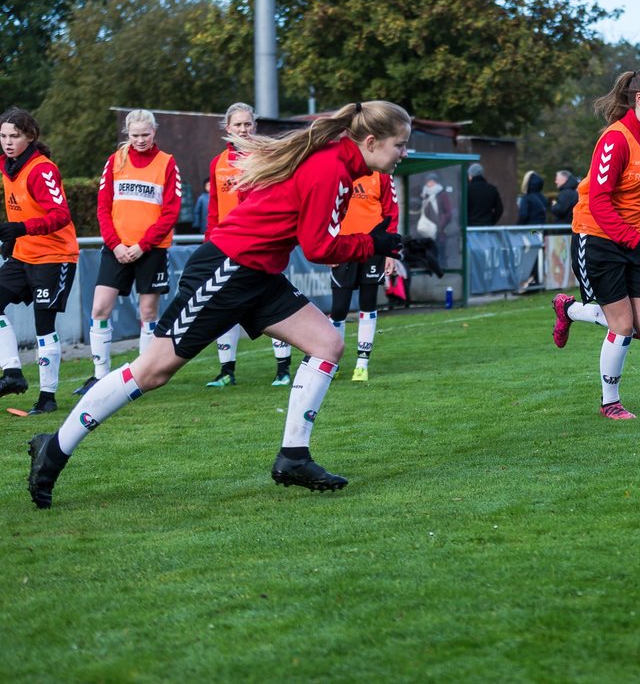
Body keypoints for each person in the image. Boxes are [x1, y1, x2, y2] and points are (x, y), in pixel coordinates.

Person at [27, 101, 410, 509]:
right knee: (152, 371)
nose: (404, 154)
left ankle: (294, 457)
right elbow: (319, 247)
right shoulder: (331, 168)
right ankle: (53, 450)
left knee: (327, 345)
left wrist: (377, 242)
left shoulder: (340, 163)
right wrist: (374, 243)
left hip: (257, 273)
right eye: (400, 145)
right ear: (371, 141)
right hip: (228, 270)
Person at [549, 70, 640, 420]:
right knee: (622, 326)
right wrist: (636, 240)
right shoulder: (615, 140)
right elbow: (599, 202)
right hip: (598, 238)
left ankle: (569, 310)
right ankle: (610, 403)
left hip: (633, 241)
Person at [74, 110, 182, 398]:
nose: (140, 140)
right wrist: (116, 244)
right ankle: (99, 376)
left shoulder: (167, 163)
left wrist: (142, 245)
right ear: (127, 134)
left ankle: (141, 378)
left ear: (154, 132)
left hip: (151, 249)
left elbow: (171, 211)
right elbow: (103, 207)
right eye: (134, 135)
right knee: (100, 308)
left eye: (145, 134)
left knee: (148, 312)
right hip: (116, 248)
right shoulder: (115, 161)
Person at [205, 103, 294, 388]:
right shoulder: (217, 163)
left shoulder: (266, 156)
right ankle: (226, 371)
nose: (243, 129)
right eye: (238, 125)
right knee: (225, 304)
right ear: (227, 128)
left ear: (254, 126)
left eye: (247, 124)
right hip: (225, 245)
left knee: (271, 303)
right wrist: (210, 240)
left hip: (260, 244)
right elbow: (214, 208)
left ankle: (283, 370)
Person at [0, 108, 78, 416]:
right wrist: (13, 238)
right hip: (24, 253)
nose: (7, 142)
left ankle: (47, 397)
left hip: (54, 255)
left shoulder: (41, 169)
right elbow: (19, 207)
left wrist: (20, 229)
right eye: (3, 136)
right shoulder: (8, 165)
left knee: (43, 325)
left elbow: (61, 216)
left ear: (30, 137)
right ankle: (12, 373)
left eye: (14, 136)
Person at [329, 170, 399, 381]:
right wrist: (328, 247)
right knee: (338, 308)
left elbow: (391, 212)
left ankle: (362, 364)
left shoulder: (382, 174)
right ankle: (333, 361)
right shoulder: (339, 170)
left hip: (374, 247)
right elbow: (326, 209)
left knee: (368, 304)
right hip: (344, 246)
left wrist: (391, 252)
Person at [466, 162, 503, 226]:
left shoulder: (467, 189)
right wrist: (492, 221)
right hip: (487, 227)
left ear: (471, 175)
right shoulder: (492, 189)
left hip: (471, 228)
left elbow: (464, 209)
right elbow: (499, 209)